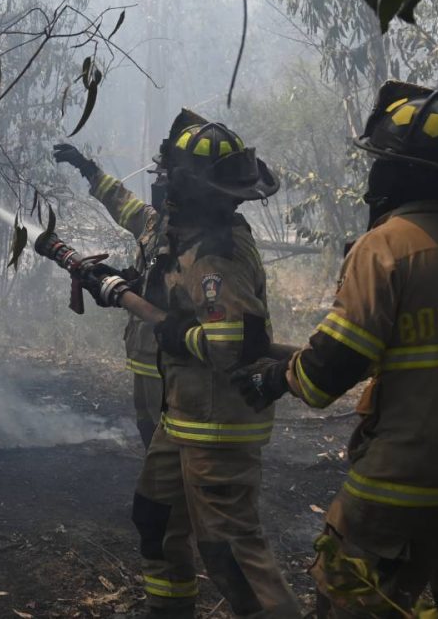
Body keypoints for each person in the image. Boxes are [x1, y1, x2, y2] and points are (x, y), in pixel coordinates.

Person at [231, 81, 438, 619]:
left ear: (401, 173)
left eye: (381, 163)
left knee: (347, 598)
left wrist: (274, 378)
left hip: (400, 477)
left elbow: (331, 368)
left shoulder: (382, 247)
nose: (373, 177)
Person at [74, 110, 299, 619]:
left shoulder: (216, 255)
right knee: (156, 520)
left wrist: (171, 329)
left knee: (230, 552)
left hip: (218, 426)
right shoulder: (183, 237)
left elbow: (230, 347)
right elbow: (135, 224)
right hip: (182, 419)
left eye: (172, 180)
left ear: (194, 190)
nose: (163, 190)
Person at [52, 140, 168, 446]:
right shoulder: (154, 222)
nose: (157, 184)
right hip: (145, 354)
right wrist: (86, 167)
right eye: (156, 176)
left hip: (170, 361)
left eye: (163, 178)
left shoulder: (194, 238)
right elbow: (120, 199)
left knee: (168, 440)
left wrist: (124, 287)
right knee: (149, 431)